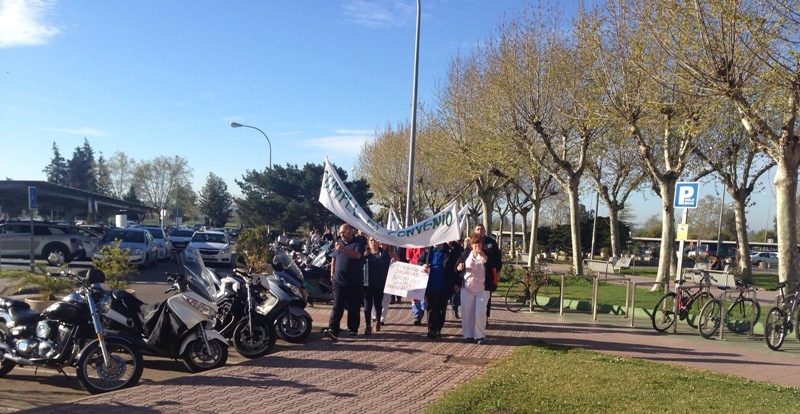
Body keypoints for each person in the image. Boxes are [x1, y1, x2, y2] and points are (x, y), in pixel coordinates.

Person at [324, 224, 366, 341]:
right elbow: (334, 259)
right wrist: (332, 274)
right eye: (340, 233)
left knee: (353, 306)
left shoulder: (358, 243)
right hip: (338, 281)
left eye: (344, 232)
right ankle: (333, 330)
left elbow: (357, 255)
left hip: (354, 281)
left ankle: (353, 330)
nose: (341, 235)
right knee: (337, 305)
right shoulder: (338, 242)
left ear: (350, 231)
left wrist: (343, 250)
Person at [419, 241, 461, 339]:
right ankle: (431, 329)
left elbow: (456, 269)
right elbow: (420, 261)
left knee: (441, 310)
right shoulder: (428, 250)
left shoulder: (450, 252)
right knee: (431, 308)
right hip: (431, 285)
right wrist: (423, 265)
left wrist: (456, 283)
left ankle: (438, 328)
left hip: (445, 285)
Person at [457, 234, 491, 344]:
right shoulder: (466, 254)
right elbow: (456, 266)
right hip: (467, 288)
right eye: (475, 244)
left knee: (480, 312)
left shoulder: (486, 254)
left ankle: (480, 335)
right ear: (471, 245)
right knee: (467, 312)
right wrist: (459, 267)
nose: (477, 246)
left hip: (482, 289)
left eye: (479, 243)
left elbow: (492, 266)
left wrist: (484, 256)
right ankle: (468, 335)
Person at [363, 236, 393, 334]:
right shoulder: (365, 254)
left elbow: (390, 266)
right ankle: (368, 325)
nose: (373, 242)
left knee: (378, 304)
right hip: (367, 284)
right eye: (371, 240)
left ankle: (378, 321)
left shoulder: (384, 254)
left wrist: (393, 264)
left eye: (375, 240)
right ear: (368, 242)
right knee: (367, 305)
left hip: (379, 283)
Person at [473, 224, 502, 318]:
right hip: (474, 276)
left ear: (484, 231)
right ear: (475, 231)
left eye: (481, 229)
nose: (479, 231)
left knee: (486, 296)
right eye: (478, 229)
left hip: (488, 274)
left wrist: (498, 269)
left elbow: (498, 256)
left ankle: (485, 316)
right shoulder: (472, 242)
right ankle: (474, 317)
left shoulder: (491, 242)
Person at [405, 246, 426, 325]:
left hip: (421, 269)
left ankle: (420, 311)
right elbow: (408, 256)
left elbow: (408, 257)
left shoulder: (412, 243)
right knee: (415, 294)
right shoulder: (412, 244)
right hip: (415, 270)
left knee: (421, 293)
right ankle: (418, 314)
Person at [448, 240, 464, 319]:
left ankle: (455, 309)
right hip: (445, 274)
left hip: (455, 272)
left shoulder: (458, 248)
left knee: (455, 292)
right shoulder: (443, 247)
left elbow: (461, 259)